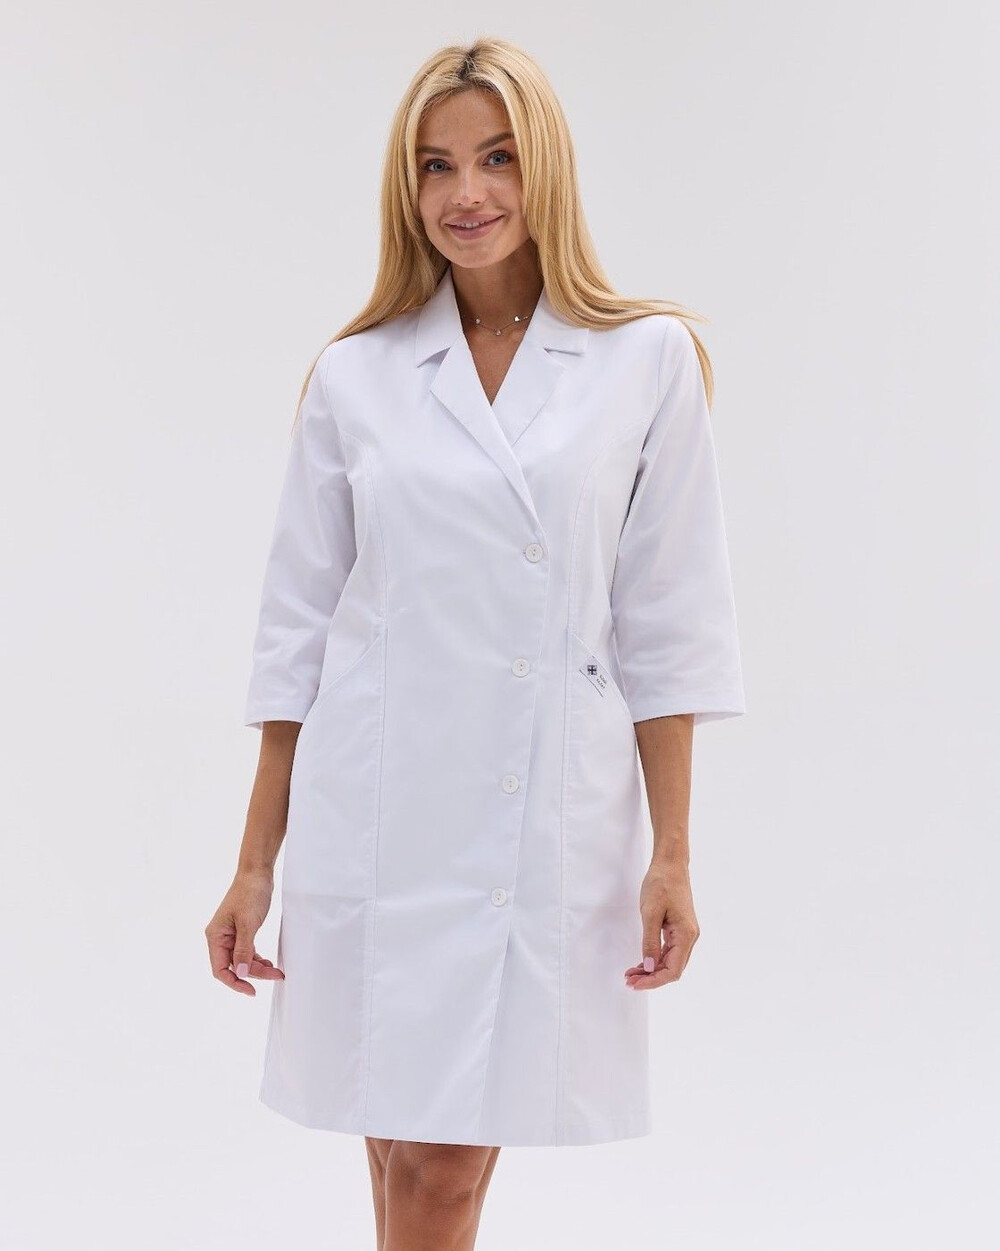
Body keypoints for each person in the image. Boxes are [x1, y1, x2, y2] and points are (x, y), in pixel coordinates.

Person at [205, 35, 746, 1251]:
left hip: (534, 814)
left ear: (545, 165)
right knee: (396, 1151)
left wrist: (672, 853)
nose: (466, 193)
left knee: (441, 1163)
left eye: (497, 158)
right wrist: (253, 866)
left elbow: (668, 624)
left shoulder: (645, 360)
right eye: (436, 165)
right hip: (375, 811)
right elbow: (295, 636)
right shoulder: (356, 375)